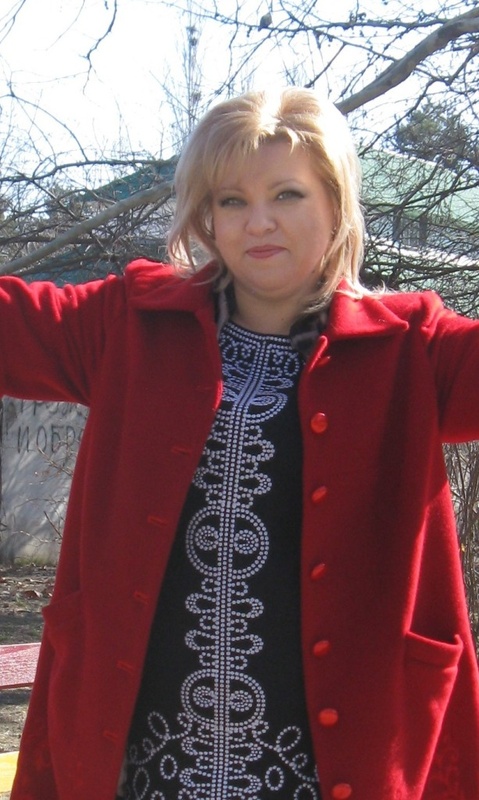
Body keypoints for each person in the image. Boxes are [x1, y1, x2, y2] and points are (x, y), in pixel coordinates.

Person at [5, 87, 479, 800]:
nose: (258, 222)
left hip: (337, 760)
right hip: (139, 758)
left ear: (335, 203)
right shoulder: (130, 323)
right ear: (207, 216)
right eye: (232, 200)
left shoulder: (411, 347)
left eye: (287, 194)